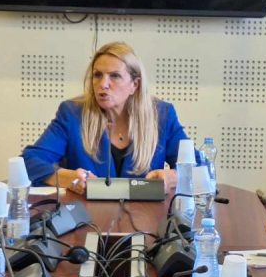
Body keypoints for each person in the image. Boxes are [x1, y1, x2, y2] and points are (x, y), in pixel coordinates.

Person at [22, 42, 187, 193]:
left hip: (146, 213)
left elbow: (197, 167)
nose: (103, 84)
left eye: (114, 76)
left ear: (134, 85)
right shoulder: (72, 113)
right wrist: (67, 178)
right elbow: (28, 162)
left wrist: (174, 177)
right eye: (97, 75)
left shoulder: (162, 115)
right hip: (87, 213)